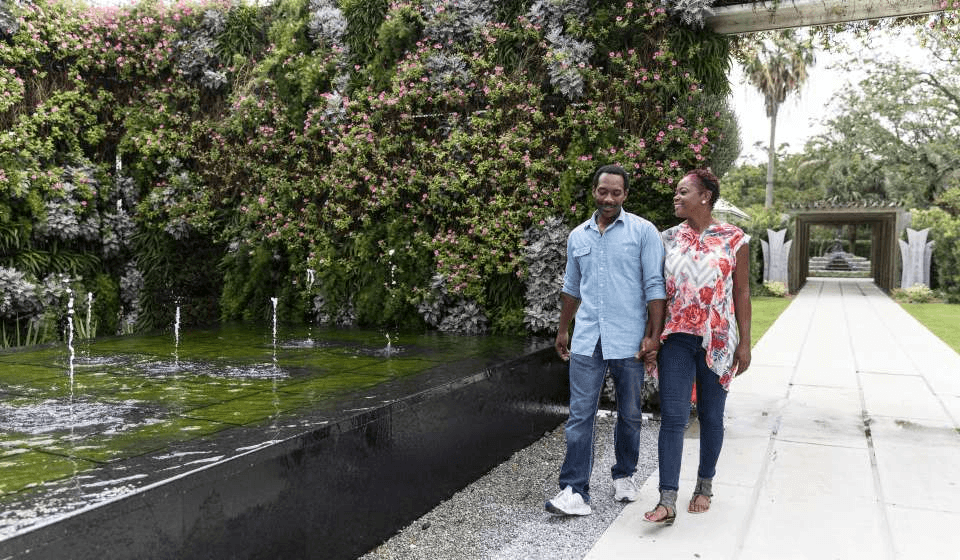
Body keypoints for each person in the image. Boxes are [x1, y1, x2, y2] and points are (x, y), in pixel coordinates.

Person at [546, 164, 666, 516]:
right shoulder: (578, 236)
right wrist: (563, 328)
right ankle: (574, 490)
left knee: (629, 413)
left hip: (629, 340)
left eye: (616, 193)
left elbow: (654, 287)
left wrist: (653, 336)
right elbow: (571, 288)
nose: (609, 198)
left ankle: (624, 474)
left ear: (625, 195)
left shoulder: (643, 232)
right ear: (594, 192)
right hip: (586, 339)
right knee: (579, 416)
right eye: (603, 191)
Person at [643, 169, 752, 524]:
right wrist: (650, 334)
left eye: (682, 191)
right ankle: (667, 499)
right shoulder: (668, 238)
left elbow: (742, 293)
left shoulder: (734, 239)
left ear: (704, 196)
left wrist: (745, 342)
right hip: (676, 338)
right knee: (673, 418)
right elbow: (656, 290)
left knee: (710, 417)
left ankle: (704, 486)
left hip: (718, 340)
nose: (676, 197)